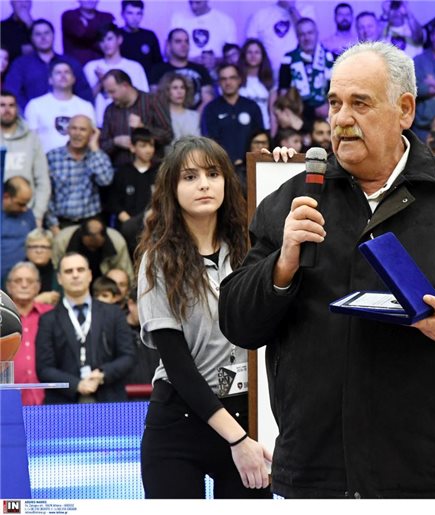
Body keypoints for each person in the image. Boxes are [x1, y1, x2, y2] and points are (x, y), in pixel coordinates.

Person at [218, 40, 435, 499]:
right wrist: (282, 265)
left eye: (360, 103)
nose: (341, 119)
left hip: (434, 471)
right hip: (317, 469)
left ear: (404, 109)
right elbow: (237, 321)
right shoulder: (291, 202)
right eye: (334, 103)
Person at [136, 136, 271, 498]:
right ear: (172, 189)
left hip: (247, 414)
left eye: (213, 174)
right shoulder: (157, 260)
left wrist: (282, 166)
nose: (204, 185)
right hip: (179, 421)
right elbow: (178, 366)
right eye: (190, 177)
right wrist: (238, 440)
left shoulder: (251, 248)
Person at [36, 251, 136, 404]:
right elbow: (44, 369)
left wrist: (103, 374)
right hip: (64, 405)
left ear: (90, 275)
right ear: (59, 278)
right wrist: (76, 384)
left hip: (109, 402)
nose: (75, 275)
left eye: (80, 270)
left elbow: (128, 357)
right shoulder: (48, 320)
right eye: (69, 271)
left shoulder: (114, 313)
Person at [4, 18, 93, 111]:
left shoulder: (70, 62)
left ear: (53, 35)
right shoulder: (20, 64)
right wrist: (28, 112)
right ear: (31, 38)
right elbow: (12, 93)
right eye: (38, 34)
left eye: (46, 33)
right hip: (31, 116)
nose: (43, 37)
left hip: (69, 115)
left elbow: (84, 92)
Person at [46, 114, 114, 234]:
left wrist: (94, 147)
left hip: (91, 223)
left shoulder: (98, 156)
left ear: (91, 133)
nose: (77, 133)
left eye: (83, 129)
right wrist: (53, 225)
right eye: (74, 128)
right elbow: (46, 193)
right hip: (61, 223)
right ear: (67, 131)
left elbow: (105, 181)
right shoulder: (52, 156)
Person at [99, 69, 173, 168]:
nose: (110, 96)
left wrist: (143, 127)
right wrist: (116, 142)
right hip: (121, 171)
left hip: (152, 170)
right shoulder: (110, 110)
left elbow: (168, 136)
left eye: (112, 91)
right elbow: (102, 145)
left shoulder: (153, 101)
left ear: (125, 86)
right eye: (107, 93)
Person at [5, 261, 54, 406]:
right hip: (7, 400)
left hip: (51, 399)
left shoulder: (52, 314)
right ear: (8, 286)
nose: (24, 285)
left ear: (38, 286)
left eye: (30, 281)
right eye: (18, 281)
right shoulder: (1, 317)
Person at [83, 23, 149, 127]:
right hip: (98, 124)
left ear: (119, 39)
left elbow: (142, 98)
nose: (106, 44)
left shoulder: (135, 67)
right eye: (102, 40)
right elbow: (85, 100)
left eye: (109, 39)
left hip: (128, 124)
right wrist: (100, 82)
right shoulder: (91, 67)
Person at [23, 61, 97, 154]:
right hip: (45, 160)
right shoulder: (35, 105)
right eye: (58, 72)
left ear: (73, 79)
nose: (63, 75)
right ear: (50, 80)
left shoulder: (86, 106)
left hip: (80, 160)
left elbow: (92, 137)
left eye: (67, 72)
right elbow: (30, 140)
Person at [0, 89, 50, 225]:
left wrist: (38, 214)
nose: (7, 110)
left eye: (11, 105)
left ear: (17, 108)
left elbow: (42, 180)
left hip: (26, 212)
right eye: (2, 105)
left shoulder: (32, 138)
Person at [148, 28, 215, 112]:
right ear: (169, 45)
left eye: (186, 41)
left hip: (197, 117)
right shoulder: (158, 70)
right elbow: (155, 99)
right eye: (178, 41)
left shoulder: (200, 69)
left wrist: (194, 117)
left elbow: (208, 98)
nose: (184, 45)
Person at [52, 217, 134, 283]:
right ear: (82, 236)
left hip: (105, 285)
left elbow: (125, 273)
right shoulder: (62, 241)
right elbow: (56, 270)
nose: (92, 250)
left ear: (104, 237)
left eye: (96, 246)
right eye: (90, 246)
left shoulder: (117, 242)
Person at [108, 127, 158, 229]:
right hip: (128, 226)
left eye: (151, 145)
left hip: (155, 225)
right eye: (143, 146)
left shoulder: (159, 172)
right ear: (132, 147)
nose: (148, 150)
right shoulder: (123, 172)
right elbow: (113, 202)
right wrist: (130, 223)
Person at [168, 0, 237, 62]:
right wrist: (191, 60)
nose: (194, 6)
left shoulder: (225, 21)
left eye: (198, 2)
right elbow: (168, 51)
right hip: (186, 68)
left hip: (217, 69)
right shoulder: (178, 18)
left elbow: (233, 55)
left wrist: (215, 60)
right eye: (191, 2)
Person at [2, 177, 37, 284]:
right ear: (6, 197)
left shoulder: (28, 215)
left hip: (22, 280)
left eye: (27, 204)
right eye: (21, 204)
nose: (25, 209)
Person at [61, 1, 116, 66]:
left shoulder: (107, 16)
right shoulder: (70, 15)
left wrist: (86, 27)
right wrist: (101, 32)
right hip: (76, 67)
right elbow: (81, 34)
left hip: (104, 65)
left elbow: (114, 42)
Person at [238, 39, 276, 132]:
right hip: (240, 128)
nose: (253, 56)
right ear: (244, 55)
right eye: (249, 52)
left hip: (263, 129)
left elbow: (273, 113)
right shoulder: (237, 79)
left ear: (262, 56)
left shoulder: (269, 81)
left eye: (257, 52)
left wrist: (273, 134)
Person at [119, 0, 162, 77]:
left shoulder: (149, 36)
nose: (134, 18)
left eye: (138, 13)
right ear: (122, 14)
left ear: (142, 15)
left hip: (146, 81)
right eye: (130, 13)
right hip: (121, 80)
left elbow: (158, 63)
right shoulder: (116, 35)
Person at [156, 72, 201, 142]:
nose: (180, 92)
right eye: (175, 88)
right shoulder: (161, 116)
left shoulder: (195, 116)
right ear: (166, 91)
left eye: (182, 87)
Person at [24, 229, 61, 306]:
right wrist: (36, 301)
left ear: (51, 251)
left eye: (44, 247)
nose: (39, 251)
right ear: (26, 250)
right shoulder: (14, 275)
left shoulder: (59, 276)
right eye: (34, 247)